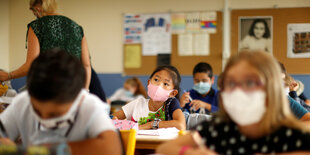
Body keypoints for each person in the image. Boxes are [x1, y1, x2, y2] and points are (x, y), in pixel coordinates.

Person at [157, 51, 310, 155]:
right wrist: (190, 152)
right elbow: (165, 148)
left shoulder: (289, 134)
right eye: (231, 84)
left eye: (249, 83)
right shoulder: (221, 128)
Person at [0, 49, 122, 155]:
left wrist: (48, 151)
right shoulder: (23, 101)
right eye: (36, 111)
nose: (44, 119)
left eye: (54, 114)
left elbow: (112, 149)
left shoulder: (90, 106)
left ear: (78, 100)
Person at [0, 0, 91, 90]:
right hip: (74, 89)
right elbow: (86, 65)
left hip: (48, 88)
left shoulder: (37, 26)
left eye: (33, 11)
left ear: (37, 9)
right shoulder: (77, 28)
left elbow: (31, 64)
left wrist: (9, 75)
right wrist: (85, 91)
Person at [112, 65, 185, 130]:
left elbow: (181, 125)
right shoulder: (137, 104)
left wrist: (151, 124)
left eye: (166, 84)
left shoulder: (171, 104)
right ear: (149, 83)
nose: (159, 85)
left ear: (172, 93)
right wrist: (113, 120)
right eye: (156, 80)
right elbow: (112, 118)